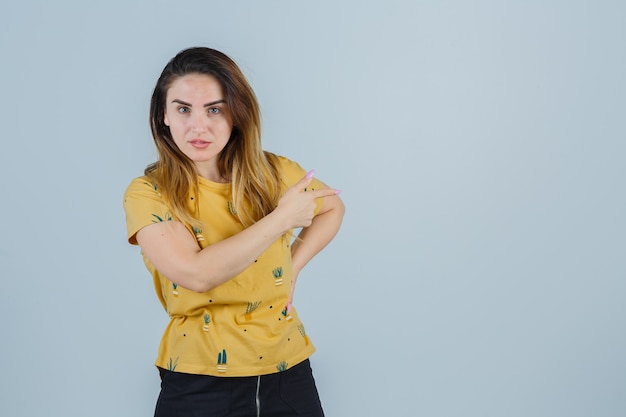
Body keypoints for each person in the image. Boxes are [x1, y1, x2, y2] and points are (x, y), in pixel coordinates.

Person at [123, 46, 344, 417]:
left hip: (287, 372)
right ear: (163, 115)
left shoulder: (273, 173)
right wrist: (281, 218)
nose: (198, 126)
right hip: (198, 381)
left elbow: (332, 206)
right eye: (182, 109)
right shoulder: (149, 193)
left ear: (236, 113)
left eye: (214, 109)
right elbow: (197, 274)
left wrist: (293, 265)